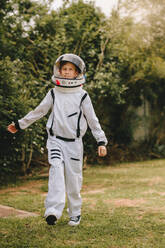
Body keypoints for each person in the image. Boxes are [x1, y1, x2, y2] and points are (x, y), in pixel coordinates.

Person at [8, 53, 108, 226]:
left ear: (78, 73)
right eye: (64, 69)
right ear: (59, 71)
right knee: (55, 169)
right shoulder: (54, 93)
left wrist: (101, 141)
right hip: (55, 140)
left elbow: (93, 119)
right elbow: (39, 111)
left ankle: (75, 213)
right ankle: (52, 211)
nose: (67, 72)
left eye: (71, 69)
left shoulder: (82, 96)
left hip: (74, 144)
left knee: (73, 180)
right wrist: (20, 124)